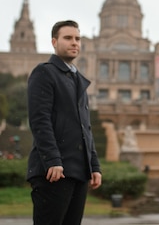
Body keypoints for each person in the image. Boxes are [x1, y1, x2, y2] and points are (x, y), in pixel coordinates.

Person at [26, 20, 102, 225]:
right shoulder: (45, 72)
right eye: (68, 38)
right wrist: (53, 160)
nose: (74, 43)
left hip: (79, 172)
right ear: (54, 41)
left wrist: (94, 166)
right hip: (54, 171)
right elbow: (39, 120)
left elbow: (86, 128)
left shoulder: (78, 80)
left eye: (77, 39)